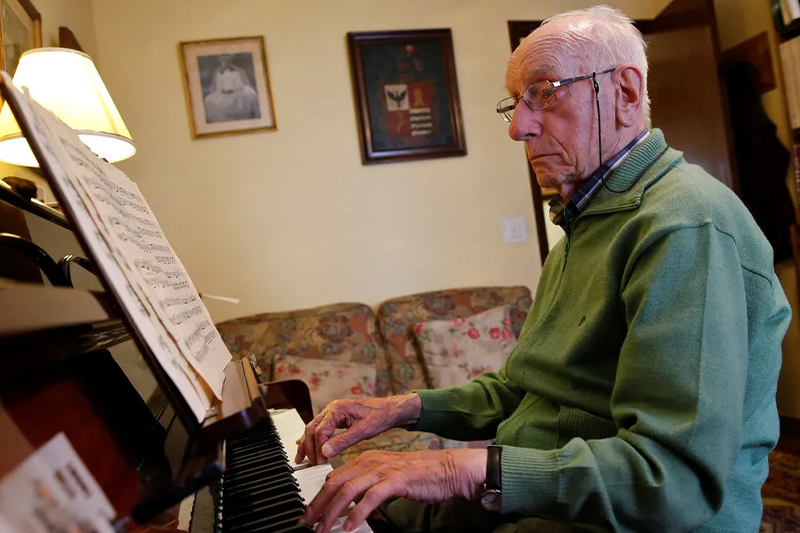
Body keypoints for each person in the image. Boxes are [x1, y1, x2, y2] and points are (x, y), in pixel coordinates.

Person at [294, 6, 792, 533]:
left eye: (545, 92)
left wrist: (457, 469)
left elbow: (672, 480)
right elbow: (521, 388)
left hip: (621, 521)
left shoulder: (685, 225)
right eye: (515, 103)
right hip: (538, 496)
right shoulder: (582, 225)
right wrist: (400, 409)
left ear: (625, 92)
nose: (518, 128)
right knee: (341, 509)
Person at [203, 55, 260, 123]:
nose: (225, 63)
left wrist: (233, 89)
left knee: (249, 94)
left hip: (236, 92)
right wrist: (222, 90)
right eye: (223, 62)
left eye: (227, 61)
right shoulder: (218, 73)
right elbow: (217, 86)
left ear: (230, 62)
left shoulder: (237, 72)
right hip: (224, 93)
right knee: (208, 100)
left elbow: (240, 84)